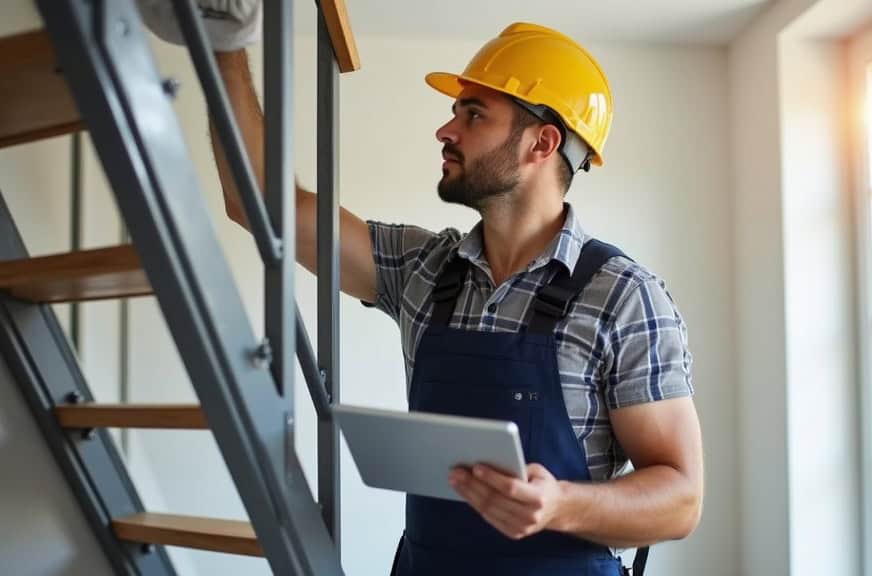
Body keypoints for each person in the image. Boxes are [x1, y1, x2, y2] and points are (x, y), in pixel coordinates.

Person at [141, 4, 703, 575]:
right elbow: (260, 205)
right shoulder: (424, 269)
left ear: (542, 142)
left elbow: (680, 499)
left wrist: (560, 505)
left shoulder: (624, 297)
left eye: (474, 114)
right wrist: (223, 43)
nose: (446, 129)